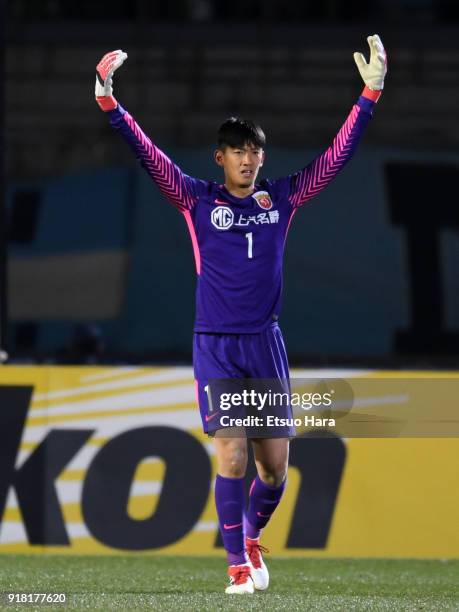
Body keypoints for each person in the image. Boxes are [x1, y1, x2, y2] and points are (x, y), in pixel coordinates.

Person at [94, 35, 387, 595]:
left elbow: (336, 157)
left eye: (254, 150)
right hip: (217, 344)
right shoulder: (195, 199)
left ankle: (250, 539)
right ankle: (235, 567)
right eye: (237, 150)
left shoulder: (284, 200)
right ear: (220, 158)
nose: (248, 159)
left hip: (264, 344)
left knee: (275, 470)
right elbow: (146, 152)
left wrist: (369, 95)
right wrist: (110, 102)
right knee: (232, 456)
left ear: (261, 157)